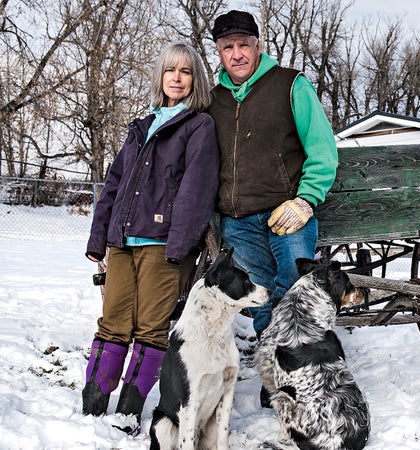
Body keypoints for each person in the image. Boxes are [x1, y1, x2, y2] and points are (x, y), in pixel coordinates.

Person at [81, 41, 219, 424]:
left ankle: (127, 413)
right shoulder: (143, 125)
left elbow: (197, 189)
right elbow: (115, 183)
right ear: (160, 75)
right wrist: (99, 238)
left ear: (196, 79)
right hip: (122, 241)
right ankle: (93, 408)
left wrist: (179, 246)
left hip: (162, 245)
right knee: (112, 323)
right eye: (170, 70)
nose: (177, 78)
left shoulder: (198, 126)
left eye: (186, 71)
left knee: (150, 328)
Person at [208, 10, 338, 339]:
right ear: (219, 52)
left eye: (243, 45)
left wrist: (306, 200)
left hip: (287, 212)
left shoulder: (290, 84)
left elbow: (322, 149)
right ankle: (275, 371)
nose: (236, 54)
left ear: (258, 45)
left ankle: (295, 360)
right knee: (262, 295)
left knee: (295, 287)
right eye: (227, 47)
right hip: (238, 220)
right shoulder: (212, 101)